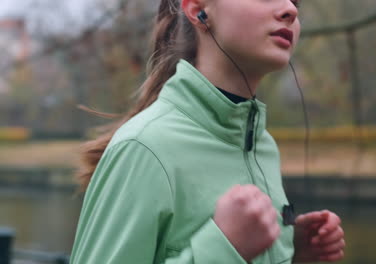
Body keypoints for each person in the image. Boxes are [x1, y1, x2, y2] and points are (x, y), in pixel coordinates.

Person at [70, 0, 346, 263]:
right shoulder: (144, 147)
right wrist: (224, 248)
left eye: (295, 2)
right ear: (198, 9)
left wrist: (286, 248)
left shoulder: (263, 145)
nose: (289, 9)